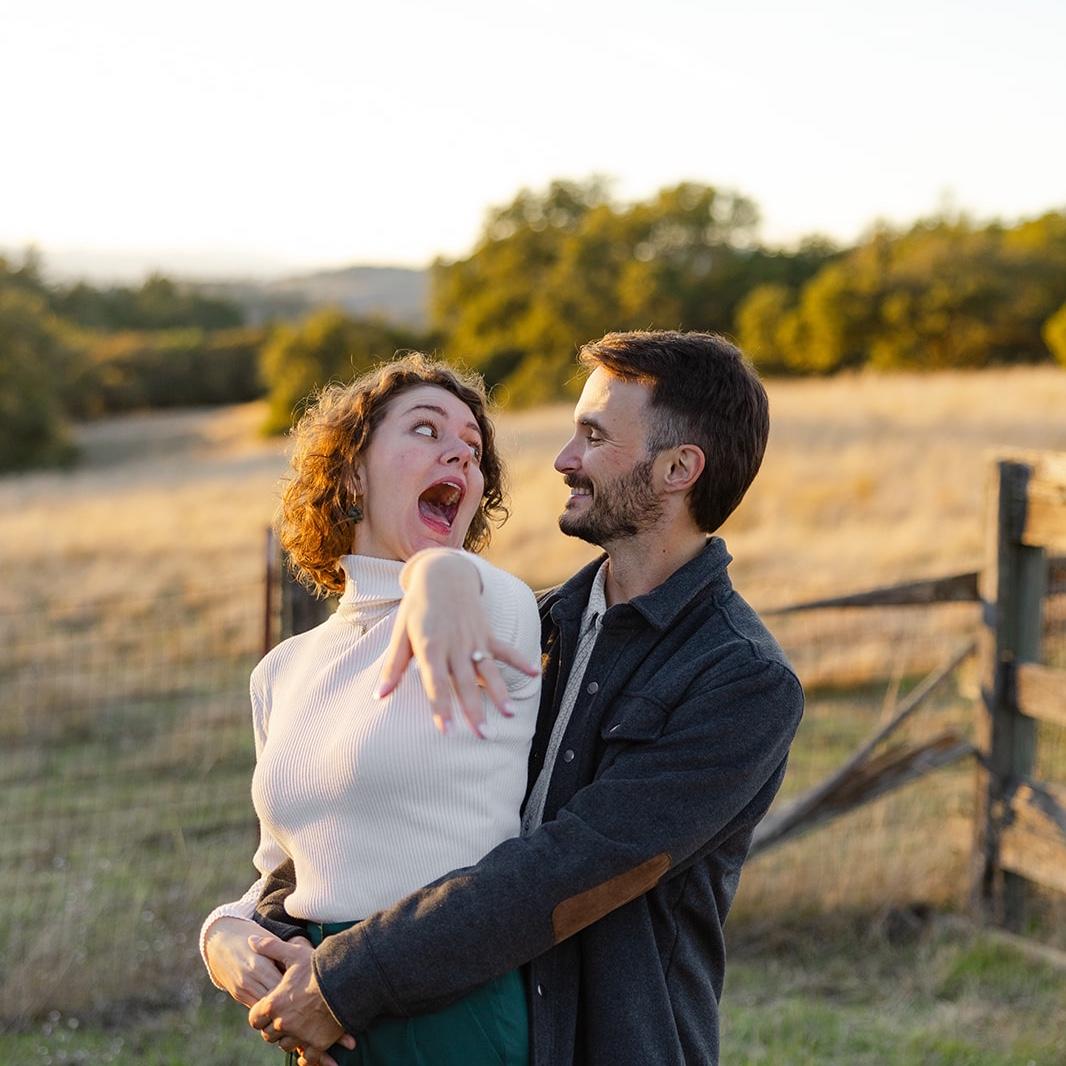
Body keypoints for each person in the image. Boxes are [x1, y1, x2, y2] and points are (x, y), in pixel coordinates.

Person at [249, 330, 806, 1066]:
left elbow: (577, 865)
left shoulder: (742, 680)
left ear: (677, 468)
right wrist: (247, 928)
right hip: (448, 1013)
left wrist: (343, 982)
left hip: (610, 1043)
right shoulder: (539, 625)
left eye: (593, 437)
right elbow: (364, 814)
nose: (563, 460)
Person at [199, 354, 542, 1065]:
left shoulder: (493, 609)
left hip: (452, 1008)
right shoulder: (281, 671)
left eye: (473, 448)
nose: (462, 454)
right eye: (426, 429)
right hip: (320, 1009)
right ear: (352, 474)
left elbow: (459, 578)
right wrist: (224, 933)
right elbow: (282, 867)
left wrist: (438, 568)